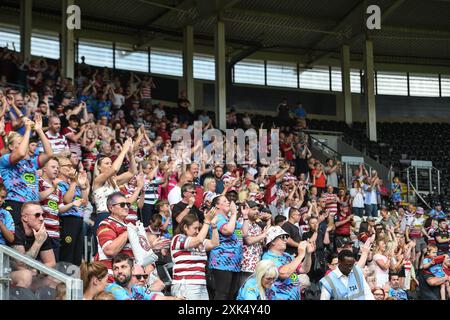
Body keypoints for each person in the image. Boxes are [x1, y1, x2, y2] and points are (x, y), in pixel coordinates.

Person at [0, 115, 53, 226]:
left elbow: (49, 154)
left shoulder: (31, 163)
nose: (25, 146)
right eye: (20, 144)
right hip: (16, 204)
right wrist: (28, 129)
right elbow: (21, 153)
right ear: (10, 147)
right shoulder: (5, 160)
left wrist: (39, 130)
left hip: (33, 207)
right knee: (17, 242)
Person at [170, 210, 219, 300]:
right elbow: (199, 239)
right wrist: (207, 221)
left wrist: (214, 226)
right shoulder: (178, 238)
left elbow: (214, 243)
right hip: (186, 284)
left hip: (201, 283)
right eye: (195, 228)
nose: (197, 231)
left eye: (198, 229)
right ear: (185, 227)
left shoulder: (198, 241)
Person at [208, 195, 249, 300]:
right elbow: (228, 231)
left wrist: (245, 216)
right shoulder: (217, 218)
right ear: (217, 205)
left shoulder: (230, 219)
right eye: (225, 201)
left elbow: (244, 233)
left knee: (231, 295)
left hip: (235, 264)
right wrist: (234, 213)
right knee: (222, 294)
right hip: (221, 263)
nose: (228, 202)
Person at [10, 202, 56, 288]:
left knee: (54, 281)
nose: (42, 218)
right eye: (37, 215)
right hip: (8, 274)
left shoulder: (42, 233)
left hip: (31, 273)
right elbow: (21, 264)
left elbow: (51, 263)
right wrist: (38, 242)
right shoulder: (15, 230)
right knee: (26, 275)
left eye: (43, 215)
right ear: (25, 218)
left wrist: (37, 271)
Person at [262, 226, 314, 300]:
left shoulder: (287, 255)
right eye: (283, 237)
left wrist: (308, 254)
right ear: (272, 241)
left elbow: (303, 269)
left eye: (286, 237)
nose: (286, 240)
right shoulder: (267, 257)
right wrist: (301, 255)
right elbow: (283, 274)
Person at [105, 253, 183, 300]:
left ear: (132, 270)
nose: (119, 271)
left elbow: (155, 298)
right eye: (116, 268)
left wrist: (175, 298)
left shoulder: (137, 288)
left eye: (123, 267)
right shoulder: (113, 289)